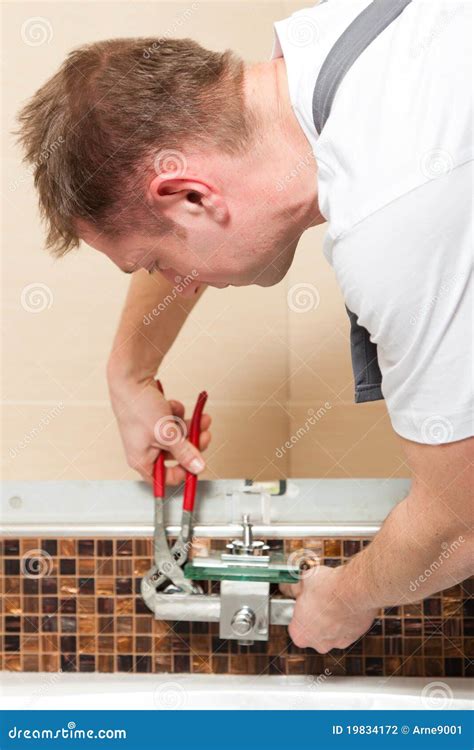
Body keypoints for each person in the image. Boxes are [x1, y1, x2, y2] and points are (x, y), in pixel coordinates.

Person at [17, 0, 472, 653]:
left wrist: (347, 599)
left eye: (152, 261)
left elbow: (460, 522)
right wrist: (130, 371)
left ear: (193, 196)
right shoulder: (343, 47)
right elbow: (200, 230)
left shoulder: (396, 216)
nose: (166, 275)